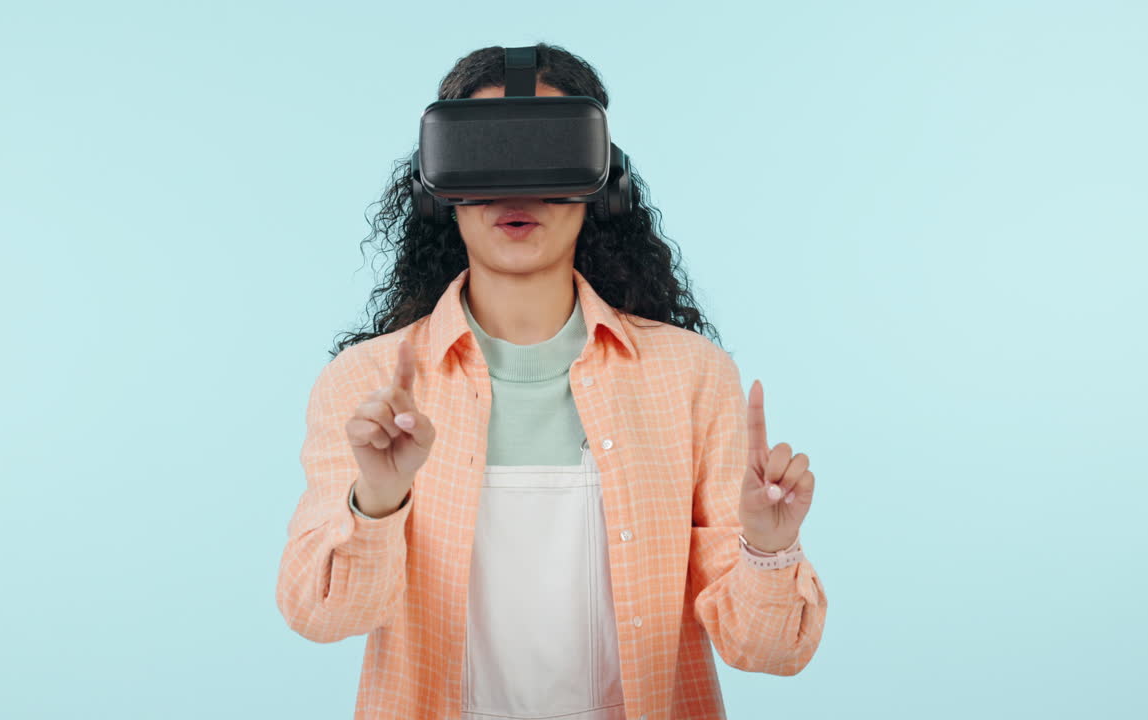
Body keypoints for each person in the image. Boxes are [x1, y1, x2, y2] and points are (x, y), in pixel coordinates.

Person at [275, 43, 827, 720]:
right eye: (487, 158)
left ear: (604, 180)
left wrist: (768, 549)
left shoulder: (690, 378)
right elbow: (320, 616)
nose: (517, 191)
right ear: (436, 187)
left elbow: (768, 652)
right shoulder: (363, 386)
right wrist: (378, 499)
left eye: (546, 152)